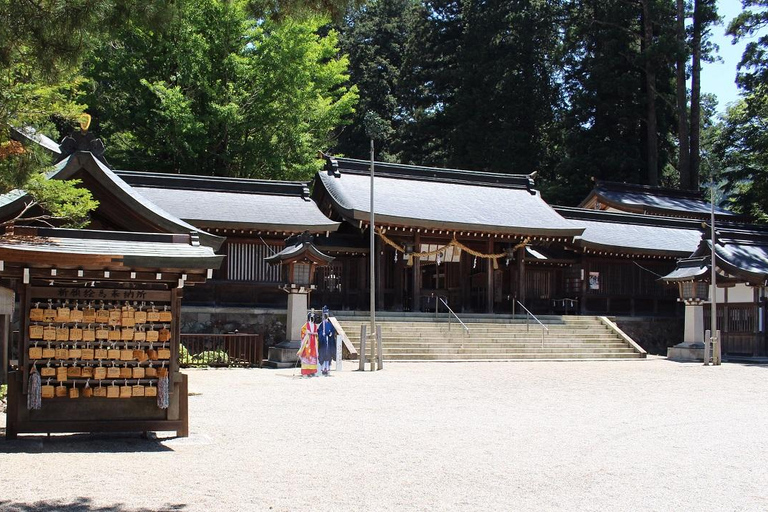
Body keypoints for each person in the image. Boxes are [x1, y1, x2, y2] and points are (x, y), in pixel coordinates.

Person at [297, 310, 318, 377]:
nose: (312, 318)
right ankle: (305, 371)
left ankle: (312, 371)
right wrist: (307, 333)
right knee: (306, 355)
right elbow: (303, 331)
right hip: (307, 342)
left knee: (313, 357)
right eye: (311, 317)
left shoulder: (315, 326)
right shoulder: (305, 325)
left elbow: (317, 333)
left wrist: (314, 333)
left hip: (313, 342)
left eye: (313, 317)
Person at [317, 306, 337, 376]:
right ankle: (323, 369)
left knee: (328, 355)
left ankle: (327, 368)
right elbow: (319, 331)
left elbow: (333, 330)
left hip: (329, 341)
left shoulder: (329, 324)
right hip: (324, 342)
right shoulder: (322, 324)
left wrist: (331, 333)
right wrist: (322, 334)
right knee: (323, 354)